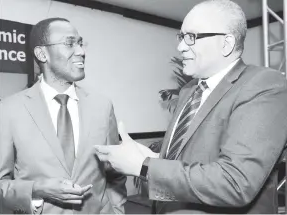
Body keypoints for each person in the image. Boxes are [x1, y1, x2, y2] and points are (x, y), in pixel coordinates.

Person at [94, 0, 287, 213]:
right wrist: (152, 158)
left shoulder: (264, 85)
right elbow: (193, 162)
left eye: (191, 37)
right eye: (181, 36)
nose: (180, 46)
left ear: (226, 44)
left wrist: (144, 166)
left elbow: (236, 182)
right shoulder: (188, 92)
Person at [0, 17, 126, 214]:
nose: (81, 52)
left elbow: (115, 173)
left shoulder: (102, 106)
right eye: (69, 43)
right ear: (42, 54)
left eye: (80, 43)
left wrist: (117, 210)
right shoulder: (9, 109)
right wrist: (36, 189)